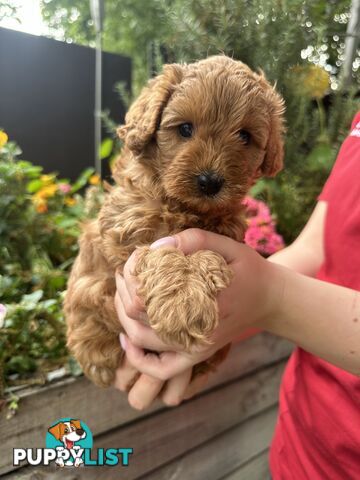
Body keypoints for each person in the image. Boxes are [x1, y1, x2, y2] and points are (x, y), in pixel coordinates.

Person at [113, 112, 360, 479]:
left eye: (244, 136)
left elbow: (273, 294)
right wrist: (224, 313)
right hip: (301, 444)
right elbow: (317, 247)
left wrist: (271, 299)